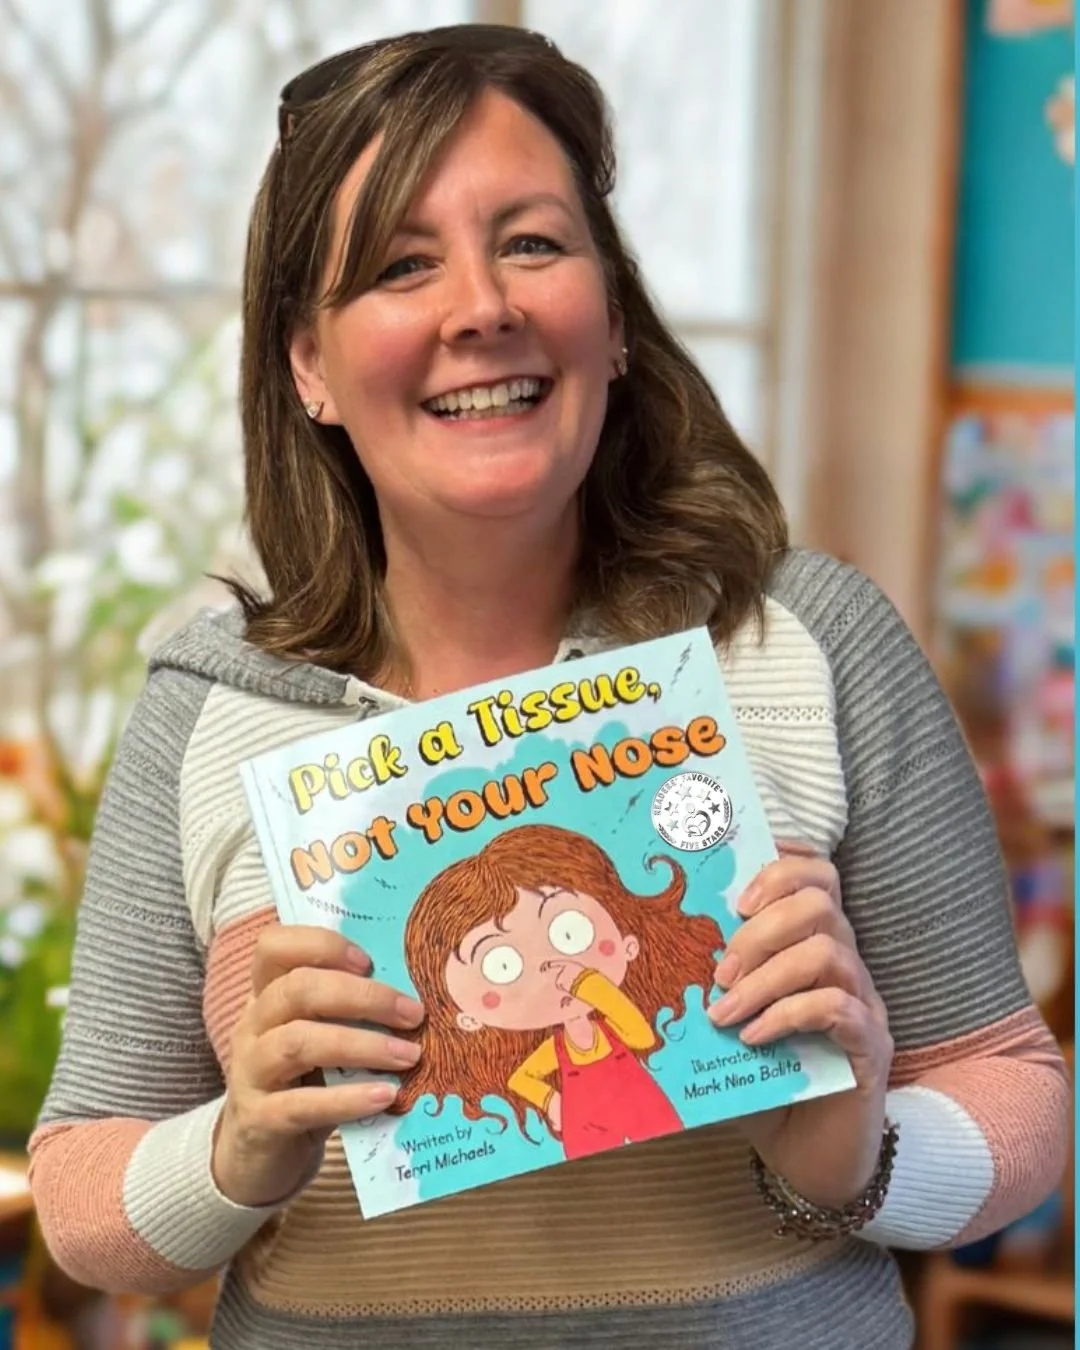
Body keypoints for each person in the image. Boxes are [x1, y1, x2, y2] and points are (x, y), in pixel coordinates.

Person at [28, 23, 1068, 1350]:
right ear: (308, 365)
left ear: (614, 317)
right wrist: (236, 1152)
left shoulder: (808, 640)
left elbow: (1015, 1092)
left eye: (530, 242)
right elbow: (80, 1198)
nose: (483, 308)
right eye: (402, 264)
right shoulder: (210, 703)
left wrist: (854, 1153)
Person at [397, 822, 709, 1156]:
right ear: (467, 1018)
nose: (546, 967)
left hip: (645, 1111)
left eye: (570, 933)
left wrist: (586, 983)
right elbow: (522, 1078)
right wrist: (550, 1100)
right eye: (501, 966)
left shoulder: (611, 1028)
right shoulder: (555, 1051)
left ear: (628, 942)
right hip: (585, 1125)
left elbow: (641, 1036)